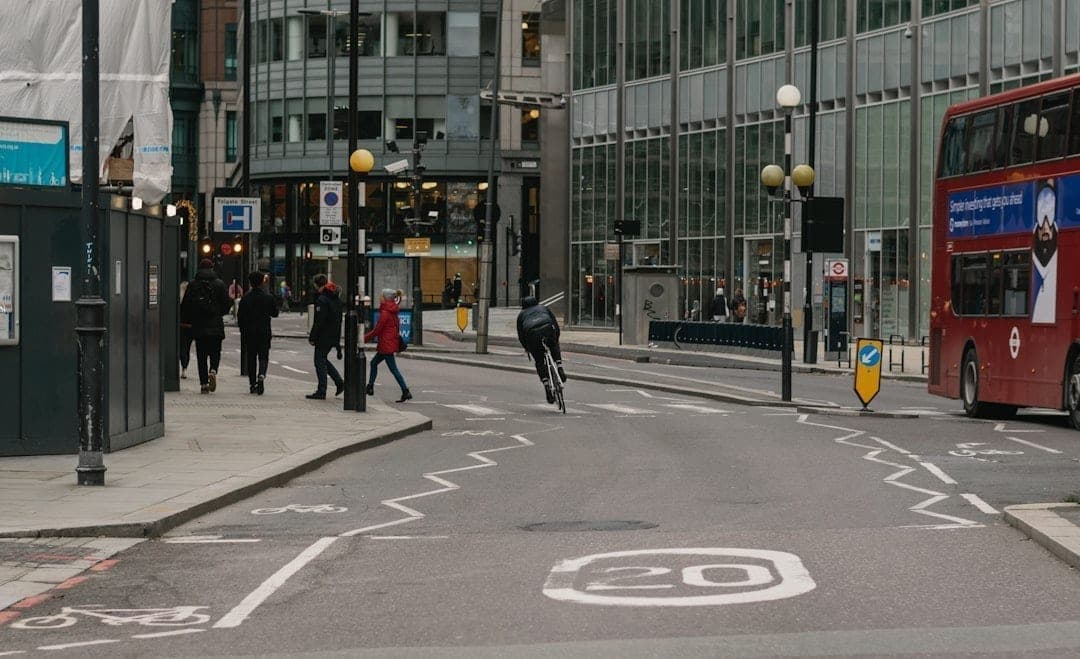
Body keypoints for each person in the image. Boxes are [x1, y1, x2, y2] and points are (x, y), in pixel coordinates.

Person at [180, 259, 231, 393]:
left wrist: (186, 321)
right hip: (215, 324)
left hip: (199, 325)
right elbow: (226, 304)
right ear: (212, 267)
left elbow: (185, 305)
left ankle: (203, 384)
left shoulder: (193, 284)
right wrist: (219, 312)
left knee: (201, 355)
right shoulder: (219, 284)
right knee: (215, 351)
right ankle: (213, 370)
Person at [364, 288, 412, 403]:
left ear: (385, 298)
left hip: (386, 345)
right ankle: (370, 387)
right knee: (374, 363)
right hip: (389, 343)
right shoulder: (392, 310)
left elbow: (377, 330)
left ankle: (405, 391)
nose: (379, 297)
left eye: (381, 296)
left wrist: (364, 338)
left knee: (393, 369)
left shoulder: (385, 313)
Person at [516, 296, 566, 404]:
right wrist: (556, 338)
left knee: (539, 361)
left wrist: (527, 348)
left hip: (532, 334)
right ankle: (559, 366)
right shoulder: (543, 308)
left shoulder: (521, 315)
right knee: (553, 345)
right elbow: (555, 324)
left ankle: (546, 384)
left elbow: (521, 335)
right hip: (548, 329)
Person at [237, 270, 279, 395]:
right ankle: (261, 374)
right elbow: (275, 313)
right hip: (264, 331)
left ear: (250, 283)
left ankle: (252, 383)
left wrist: (243, 331)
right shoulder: (268, 297)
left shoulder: (245, 298)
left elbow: (240, 317)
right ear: (262, 282)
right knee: (263, 356)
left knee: (251, 358)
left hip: (249, 333)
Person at [306, 274, 345, 400]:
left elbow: (319, 321)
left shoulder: (322, 299)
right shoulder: (336, 299)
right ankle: (339, 382)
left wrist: (312, 337)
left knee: (319, 361)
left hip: (324, 335)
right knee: (323, 360)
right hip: (333, 334)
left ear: (317, 285)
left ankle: (322, 390)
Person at [178, 280, 194, 379]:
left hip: (180, 325)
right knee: (186, 347)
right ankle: (184, 368)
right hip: (190, 326)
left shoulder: (179, 300)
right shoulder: (192, 299)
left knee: (182, 347)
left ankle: (183, 366)